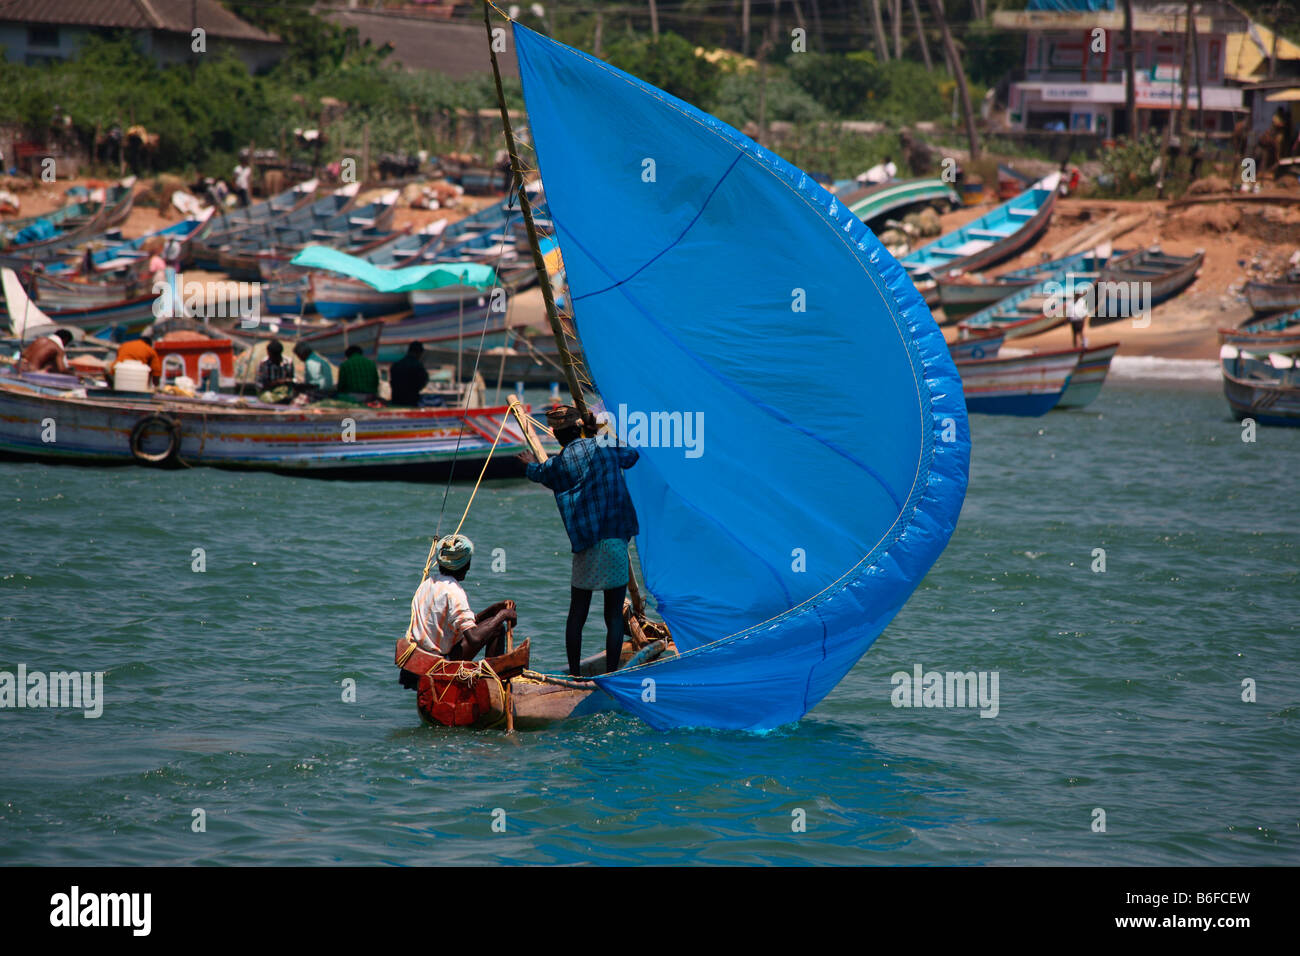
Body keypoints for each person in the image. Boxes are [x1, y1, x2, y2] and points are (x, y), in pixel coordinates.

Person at [521, 405, 640, 677]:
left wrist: (527, 463)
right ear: (580, 428)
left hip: (586, 545)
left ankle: (574, 673)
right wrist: (599, 429)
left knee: (578, 613)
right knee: (613, 616)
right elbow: (632, 455)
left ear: (556, 435)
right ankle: (611, 675)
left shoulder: (559, 464)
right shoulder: (605, 446)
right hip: (613, 540)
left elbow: (539, 473)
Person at [405, 534, 517, 665]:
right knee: (497, 628)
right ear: (466, 565)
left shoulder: (429, 583)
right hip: (440, 660)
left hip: (422, 652)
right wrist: (502, 616)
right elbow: (473, 638)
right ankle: (491, 676)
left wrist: (492, 611)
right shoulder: (454, 592)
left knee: (492, 623)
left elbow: (462, 623)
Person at [389, 341, 429, 406]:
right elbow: (423, 381)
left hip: (396, 401)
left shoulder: (396, 365)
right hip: (411, 402)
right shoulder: (418, 366)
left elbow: (392, 382)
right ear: (419, 353)